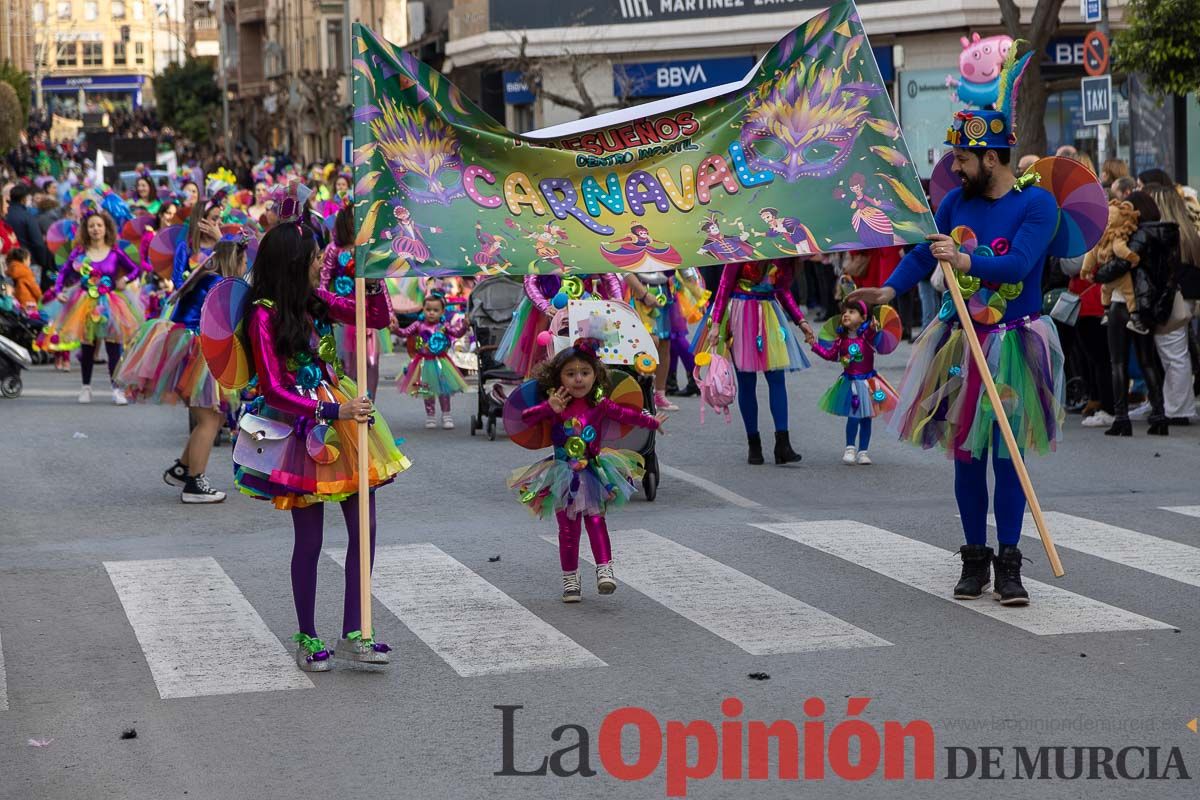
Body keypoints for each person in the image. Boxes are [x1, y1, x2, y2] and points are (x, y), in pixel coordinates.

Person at [849, 102, 1064, 606]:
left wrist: (963, 258)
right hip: (959, 343)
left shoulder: (1037, 205)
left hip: (1014, 340)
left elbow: (1019, 264)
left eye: (963, 158)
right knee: (966, 455)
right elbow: (925, 250)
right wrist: (888, 290)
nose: (955, 167)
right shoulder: (953, 204)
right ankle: (974, 560)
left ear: (990, 158)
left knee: (1008, 458)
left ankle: (1010, 567)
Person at [236, 222, 411, 672]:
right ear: (296, 263)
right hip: (302, 429)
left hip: (345, 418)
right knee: (310, 539)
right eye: (315, 257)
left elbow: (370, 317)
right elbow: (274, 389)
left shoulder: (316, 301)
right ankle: (307, 635)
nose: (321, 263)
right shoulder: (263, 314)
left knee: (365, 529)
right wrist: (334, 414)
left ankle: (356, 630)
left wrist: (372, 279)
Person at [507, 340, 664, 602]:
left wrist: (652, 421)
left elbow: (625, 414)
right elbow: (524, 419)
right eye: (570, 374)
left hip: (594, 472)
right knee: (568, 531)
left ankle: (605, 571)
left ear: (595, 375)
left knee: (596, 521)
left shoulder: (599, 404)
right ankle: (571, 580)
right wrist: (549, 408)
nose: (578, 379)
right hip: (562, 474)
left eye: (585, 372)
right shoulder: (557, 403)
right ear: (558, 378)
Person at [116, 238, 247, 502]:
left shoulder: (209, 277)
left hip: (189, 347)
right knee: (209, 419)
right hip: (196, 350)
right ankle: (194, 485)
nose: (246, 266)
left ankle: (183, 469)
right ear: (234, 260)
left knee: (215, 417)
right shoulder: (218, 283)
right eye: (244, 261)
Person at [704, 259, 815, 465]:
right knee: (746, 381)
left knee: (776, 378)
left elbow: (782, 291)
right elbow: (724, 286)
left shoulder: (781, 252)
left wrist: (802, 321)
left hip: (770, 316)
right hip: (741, 313)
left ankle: (783, 444)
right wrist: (717, 323)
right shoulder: (740, 249)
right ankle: (753, 445)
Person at [45, 209, 144, 404]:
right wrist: (59, 291)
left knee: (113, 347)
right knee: (87, 346)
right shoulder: (80, 253)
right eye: (91, 226)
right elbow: (63, 274)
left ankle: (116, 389)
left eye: (99, 225)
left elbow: (135, 269)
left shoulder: (115, 251)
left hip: (110, 303)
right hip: (84, 303)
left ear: (106, 228)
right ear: (86, 229)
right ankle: (86, 387)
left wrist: (125, 279)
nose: (95, 229)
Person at [809, 298, 899, 465]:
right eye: (844, 312)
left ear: (863, 318)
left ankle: (863, 451)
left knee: (867, 418)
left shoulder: (867, 336)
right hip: (851, 384)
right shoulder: (841, 339)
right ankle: (850, 448)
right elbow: (831, 355)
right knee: (854, 416)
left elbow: (873, 334)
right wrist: (815, 345)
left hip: (869, 382)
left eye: (852, 312)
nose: (846, 314)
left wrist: (873, 327)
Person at [1141, 181, 1199, 424]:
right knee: (1176, 354)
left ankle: (1178, 408)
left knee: (1173, 356)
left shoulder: (1164, 234)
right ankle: (1173, 405)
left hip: (1170, 303)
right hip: (1186, 299)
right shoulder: (1188, 233)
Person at [320, 202, 390, 398]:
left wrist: (390, 311)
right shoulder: (334, 249)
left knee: (371, 361)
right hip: (344, 312)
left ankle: (370, 405)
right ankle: (350, 402)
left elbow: (380, 282)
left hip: (369, 310)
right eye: (354, 217)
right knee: (347, 363)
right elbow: (324, 279)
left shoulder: (367, 247)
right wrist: (319, 307)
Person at [497, 272, 624, 378]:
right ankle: (549, 400)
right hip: (549, 312)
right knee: (548, 364)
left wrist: (618, 302)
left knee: (591, 356)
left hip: (585, 309)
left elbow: (609, 276)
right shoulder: (541, 246)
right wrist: (545, 306)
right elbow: (530, 282)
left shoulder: (589, 246)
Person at [395, 293, 470, 428]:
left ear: (442, 312)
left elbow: (457, 333)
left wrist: (464, 326)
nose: (431, 313)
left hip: (441, 362)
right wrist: (395, 328)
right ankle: (430, 415)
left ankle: (446, 415)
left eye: (435, 310)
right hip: (424, 362)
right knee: (426, 389)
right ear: (423, 309)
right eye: (428, 309)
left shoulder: (444, 325)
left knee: (443, 390)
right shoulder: (418, 324)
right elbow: (404, 332)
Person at [173, 191, 225, 287]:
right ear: (201, 221)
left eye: (221, 219)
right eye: (214, 219)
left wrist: (220, 240)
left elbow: (234, 272)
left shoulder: (225, 243)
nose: (220, 223)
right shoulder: (186, 247)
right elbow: (177, 281)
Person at [5, 184, 53, 285]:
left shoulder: (5, 215)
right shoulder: (27, 217)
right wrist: (43, 262)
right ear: (24, 199)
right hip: (28, 262)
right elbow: (38, 243)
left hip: (7, 264)